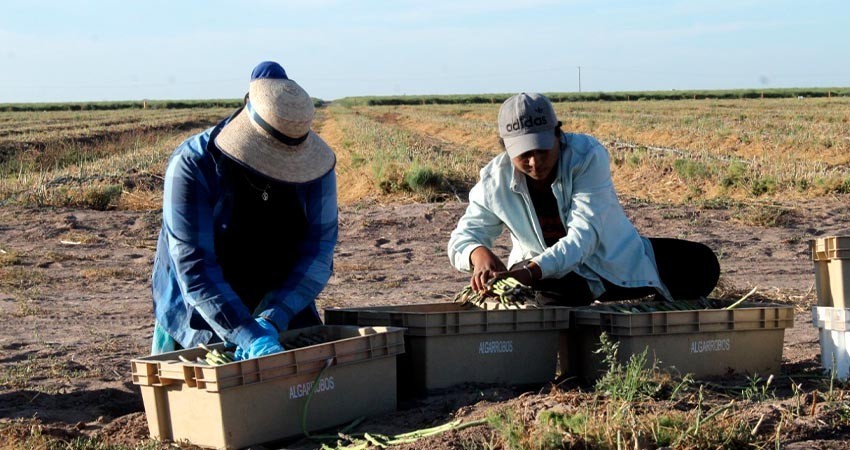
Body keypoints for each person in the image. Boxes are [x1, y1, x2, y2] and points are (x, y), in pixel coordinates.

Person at [447, 93, 719, 305]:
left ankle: (586, 293)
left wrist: (531, 272)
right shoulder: (495, 180)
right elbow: (461, 237)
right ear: (505, 147)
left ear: (558, 134)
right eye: (523, 154)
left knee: (702, 264)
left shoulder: (587, 156)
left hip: (608, 264)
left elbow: (584, 238)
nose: (534, 161)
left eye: (542, 149)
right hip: (547, 276)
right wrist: (477, 253)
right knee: (550, 291)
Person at [150, 61, 337, 359]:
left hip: (282, 300)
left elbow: (319, 250)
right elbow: (195, 267)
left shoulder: (317, 169)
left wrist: (274, 317)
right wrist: (247, 334)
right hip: (202, 308)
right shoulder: (193, 165)